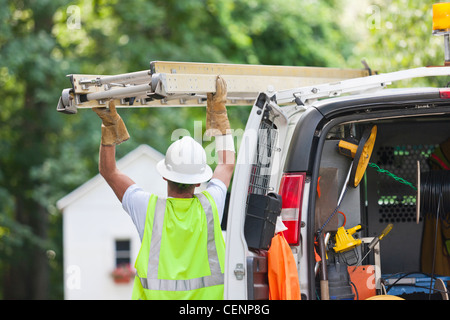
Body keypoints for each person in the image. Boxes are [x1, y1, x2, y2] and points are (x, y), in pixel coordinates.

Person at [93, 76, 235, 300]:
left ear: (164, 176)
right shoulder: (211, 205)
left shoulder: (147, 209)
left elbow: (109, 171)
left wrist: (110, 127)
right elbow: (226, 164)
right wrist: (219, 113)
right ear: (198, 181)